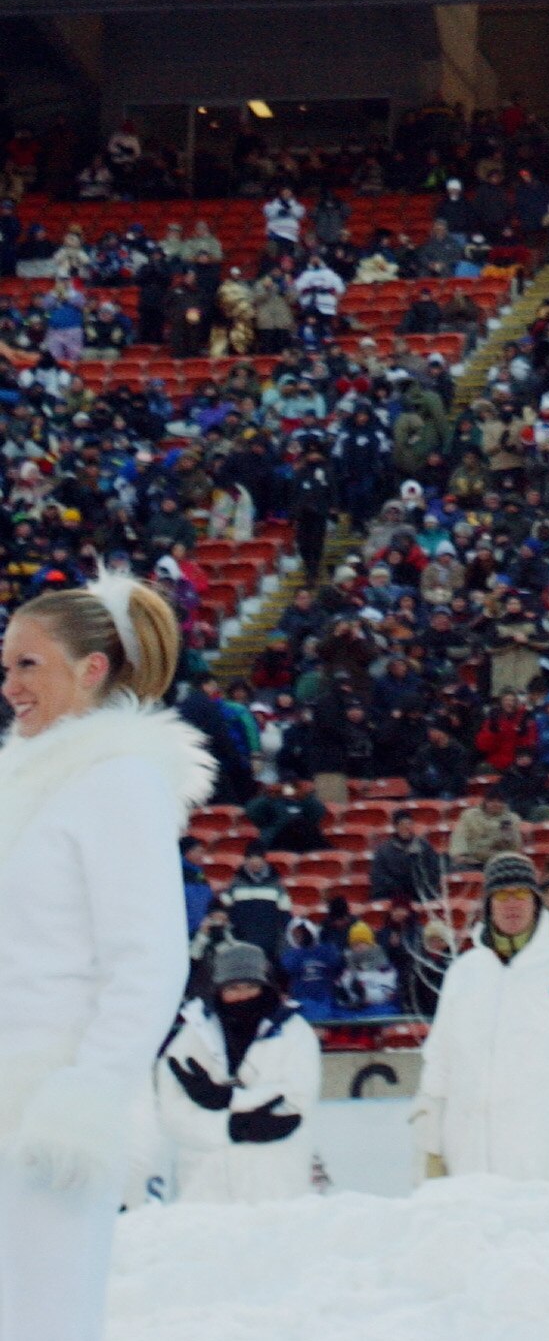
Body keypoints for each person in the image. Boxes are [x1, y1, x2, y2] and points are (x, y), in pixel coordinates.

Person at [0, 575, 210, 1341]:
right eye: (6, 667)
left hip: (46, 1117)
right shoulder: (32, 786)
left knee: (42, 1325)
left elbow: (149, 963)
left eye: (29, 665)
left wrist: (83, 1096)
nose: (10, 686)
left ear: (91, 670)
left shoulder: (117, 783)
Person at [410, 852, 549, 1186]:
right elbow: (438, 1068)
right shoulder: (464, 973)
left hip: (541, 1160)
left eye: (521, 894)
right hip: (465, 1162)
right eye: (502, 895)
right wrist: (428, 1150)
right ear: (488, 904)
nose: (512, 904)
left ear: (536, 901)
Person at [155, 937, 321, 1202]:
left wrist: (227, 1099)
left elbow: (295, 1103)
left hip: (276, 1184)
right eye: (233, 988)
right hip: (204, 1188)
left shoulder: (294, 1032)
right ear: (218, 990)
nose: (242, 996)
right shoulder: (194, 1035)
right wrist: (229, 1128)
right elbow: (173, 1114)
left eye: (250, 986)